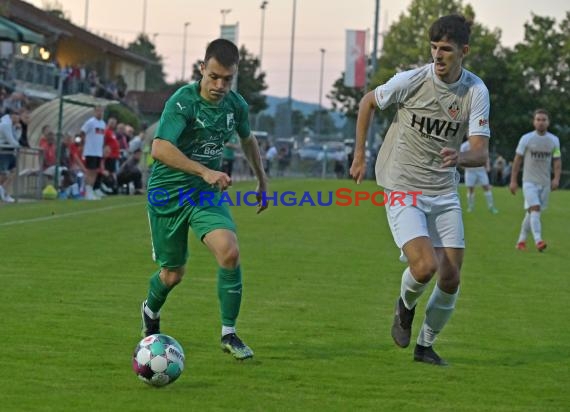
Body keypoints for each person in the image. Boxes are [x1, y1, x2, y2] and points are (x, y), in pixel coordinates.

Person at [350, 15, 490, 366]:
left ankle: (425, 345)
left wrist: (459, 156)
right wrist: (359, 155)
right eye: (434, 48)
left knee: (451, 276)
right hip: (402, 185)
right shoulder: (412, 80)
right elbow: (368, 101)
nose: (438, 55)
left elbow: (481, 151)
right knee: (425, 266)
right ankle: (405, 306)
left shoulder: (475, 91)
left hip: (443, 191)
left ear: (464, 52)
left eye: (446, 49)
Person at [141, 39, 268, 361]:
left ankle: (229, 333)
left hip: (203, 195)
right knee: (173, 274)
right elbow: (159, 148)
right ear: (202, 69)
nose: (220, 85)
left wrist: (262, 180)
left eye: (227, 79)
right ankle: (150, 310)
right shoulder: (183, 102)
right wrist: (204, 171)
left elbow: (248, 139)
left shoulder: (235, 105)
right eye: (214, 77)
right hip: (168, 194)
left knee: (229, 252)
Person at [509, 109, 561, 252]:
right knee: (535, 208)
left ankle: (521, 242)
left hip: (545, 183)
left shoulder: (554, 140)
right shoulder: (526, 139)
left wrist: (556, 178)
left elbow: (557, 161)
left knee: (532, 212)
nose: (541, 122)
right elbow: (517, 160)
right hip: (529, 182)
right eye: (538, 119)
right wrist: (513, 180)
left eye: (543, 119)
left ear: (548, 122)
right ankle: (539, 241)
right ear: (534, 122)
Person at [460, 137, 498, 213]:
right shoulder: (464, 146)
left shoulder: (481, 143)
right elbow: (461, 158)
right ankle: (470, 208)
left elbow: (485, 155)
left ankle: (491, 207)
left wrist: (488, 166)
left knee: (486, 187)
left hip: (481, 170)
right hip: (470, 170)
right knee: (470, 189)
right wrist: (463, 165)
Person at [79, 105, 106, 200]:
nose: (100, 113)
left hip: (98, 152)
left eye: (101, 111)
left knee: (95, 172)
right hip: (90, 151)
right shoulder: (90, 122)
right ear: (94, 112)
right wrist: (82, 143)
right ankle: (87, 192)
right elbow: (82, 132)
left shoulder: (103, 123)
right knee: (90, 172)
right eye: (98, 111)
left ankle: (91, 190)